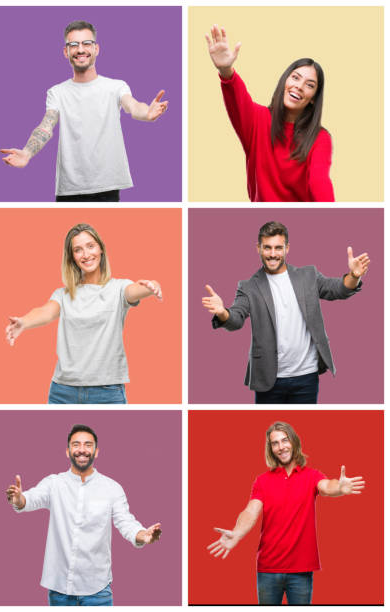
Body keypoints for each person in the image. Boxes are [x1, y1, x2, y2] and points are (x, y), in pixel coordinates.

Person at [201, 221, 369, 403]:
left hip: (307, 376)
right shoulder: (248, 286)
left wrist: (353, 276)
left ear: (287, 248)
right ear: (258, 248)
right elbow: (236, 319)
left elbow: (337, 289)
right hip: (268, 378)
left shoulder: (308, 275)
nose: (273, 254)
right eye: (267, 248)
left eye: (278, 248)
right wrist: (222, 312)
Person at [0, 20, 168, 202]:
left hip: (107, 187)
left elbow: (133, 106)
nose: (80, 50)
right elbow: (47, 125)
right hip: (69, 190)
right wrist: (27, 153)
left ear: (96, 49)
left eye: (86, 43)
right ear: (66, 52)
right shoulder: (57, 92)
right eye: (74, 45)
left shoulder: (115, 87)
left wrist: (147, 113)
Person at [207, 421, 365, 605]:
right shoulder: (262, 481)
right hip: (268, 569)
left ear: (294, 442)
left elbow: (327, 487)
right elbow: (251, 510)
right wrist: (238, 533)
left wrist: (339, 487)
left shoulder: (312, 476)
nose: (281, 447)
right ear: (271, 448)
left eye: (285, 440)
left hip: (301, 571)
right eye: (275, 443)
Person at [5, 222, 162, 404]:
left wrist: (152, 286)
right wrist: (24, 322)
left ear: (101, 249)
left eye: (90, 246)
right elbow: (45, 312)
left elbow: (136, 290)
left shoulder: (118, 288)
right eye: (78, 250)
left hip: (108, 392)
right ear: (72, 257)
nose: (86, 255)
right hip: (62, 392)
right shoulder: (63, 294)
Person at [6, 424, 161, 606]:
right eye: (76, 444)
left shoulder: (112, 488)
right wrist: (18, 499)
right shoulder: (54, 484)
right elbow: (30, 499)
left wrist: (142, 534)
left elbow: (125, 521)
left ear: (96, 452)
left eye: (88, 445)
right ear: (67, 451)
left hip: (98, 591)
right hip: (59, 591)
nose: (82, 450)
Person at [205, 24, 333, 202]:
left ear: (313, 98)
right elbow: (237, 98)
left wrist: (333, 217)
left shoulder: (320, 137)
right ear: (285, 81)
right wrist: (226, 69)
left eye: (309, 85)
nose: (299, 86)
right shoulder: (259, 120)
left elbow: (319, 182)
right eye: (295, 77)